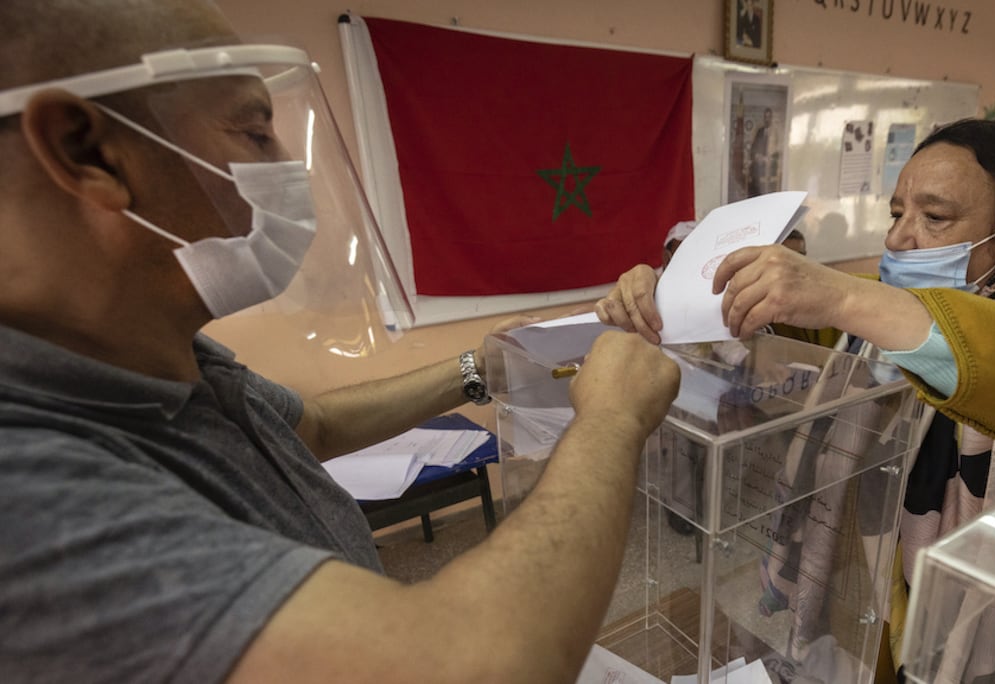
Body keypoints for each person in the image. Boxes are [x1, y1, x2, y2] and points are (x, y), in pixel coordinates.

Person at [0, 2, 680, 682]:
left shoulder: (154, 353)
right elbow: (468, 667)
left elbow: (312, 425)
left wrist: (484, 364)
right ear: (87, 152)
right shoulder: (26, 490)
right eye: (254, 133)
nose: (287, 169)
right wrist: (612, 420)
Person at [596, 118, 995, 680]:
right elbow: (758, 340)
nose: (899, 238)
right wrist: (662, 293)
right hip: (847, 586)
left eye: (934, 217)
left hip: (950, 612)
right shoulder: (864, 317)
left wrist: (846, 297)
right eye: (897, 213)